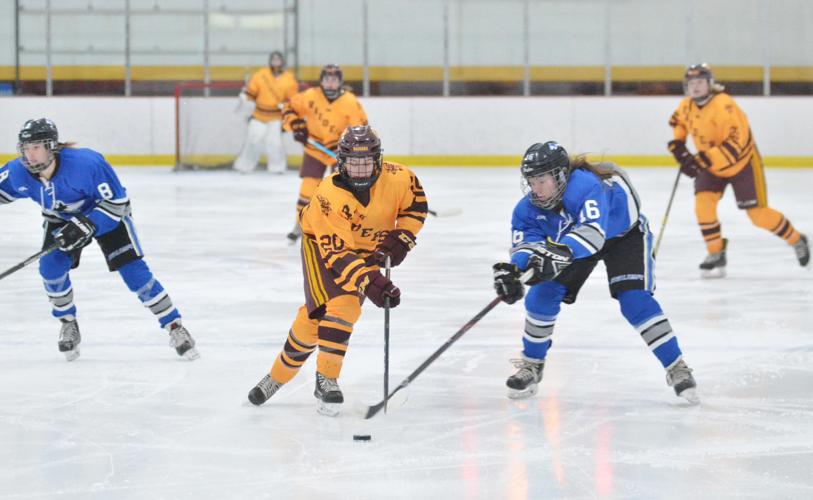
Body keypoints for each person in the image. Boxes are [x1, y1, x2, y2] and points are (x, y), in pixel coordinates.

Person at [492, 141, 698, 403]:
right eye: (531, 181)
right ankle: (532, 364)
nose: (536, 189)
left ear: (560, 175)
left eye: (542, 180)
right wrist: (515, 271)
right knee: (540, 295)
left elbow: (592, 234)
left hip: (623, 235)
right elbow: (526, 246)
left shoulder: (585, 186)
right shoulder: (526, 209)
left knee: (634, 300)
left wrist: (552, 257)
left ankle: (676, 366)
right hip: (571, 241)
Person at [247, 126, 427, 416]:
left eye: (365, 162)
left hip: (364, 249)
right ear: (341, 162)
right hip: (321, 247)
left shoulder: (400, 178)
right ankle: (326, 379)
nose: (359, 170)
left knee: (313, 319)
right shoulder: (330, 195)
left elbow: (415, 207)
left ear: (378, 161)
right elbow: (339, 255)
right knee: (342, 307)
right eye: (353, 163)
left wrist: (402, 238)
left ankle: (277, 376)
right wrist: (373, 284)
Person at [0, 119, 199, 362]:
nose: (29, 155)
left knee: (134, 272)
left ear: (51, 146)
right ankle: (68, 322)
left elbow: (118, 203)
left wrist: (88, 224)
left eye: (36, 148)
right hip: (61, 220)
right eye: (25, 148)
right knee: (50, 268)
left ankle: (175, 327)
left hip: (105, 215)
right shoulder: (18, 172)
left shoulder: (87, 163)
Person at [668, 63, 809, 278]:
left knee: (757, 215)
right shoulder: (687, 105)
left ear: (709, 84)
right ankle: (716, 252)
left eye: (700, 82)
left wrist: (700, 160)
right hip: (711, 164)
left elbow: (736, 145)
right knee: (703, 205)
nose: (695, 87)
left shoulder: (725, 106)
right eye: (691, 83)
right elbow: (678, 121)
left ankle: (797, 239)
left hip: (742, 164)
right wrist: (678, 146)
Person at [281, 64, 368, 243]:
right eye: (326, 79)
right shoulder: (310, 95)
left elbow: (361, 128)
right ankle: (300, 225)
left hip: (341, 152)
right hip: (315, 148)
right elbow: (289, 110)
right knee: (308, 189)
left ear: (340, 82)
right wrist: (296, 125)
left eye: (334, 80)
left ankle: (341, 227)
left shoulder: (350, 101)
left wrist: (352, 149)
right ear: (321, 80)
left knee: (341, 191)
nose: (330, 83)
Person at [233, 50, 299, 174]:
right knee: (253, 140)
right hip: (258, 115)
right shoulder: (261, 75)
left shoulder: (289, 79)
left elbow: (293, 98)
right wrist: (245, 96)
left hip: (276, 117)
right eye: (273, 59)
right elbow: (252, 92)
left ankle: (277, 167)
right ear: (270, 61)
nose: (275, 62)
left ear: (282, 62)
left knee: (274, 142)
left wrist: (286, 105)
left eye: (278, 59)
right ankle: (244, 166)